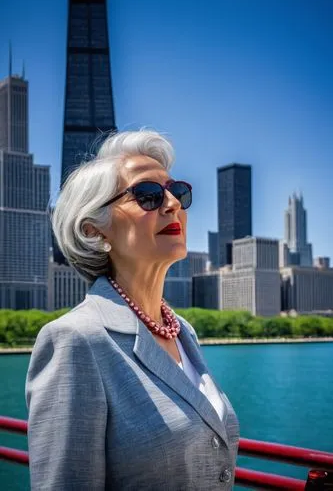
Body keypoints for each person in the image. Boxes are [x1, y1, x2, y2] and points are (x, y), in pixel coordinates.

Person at [26, 130, 239, 490]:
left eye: (177, 192)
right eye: (148, 195)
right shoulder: (74, 341)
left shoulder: (183, 331)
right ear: (95, 231)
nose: (172, 203)